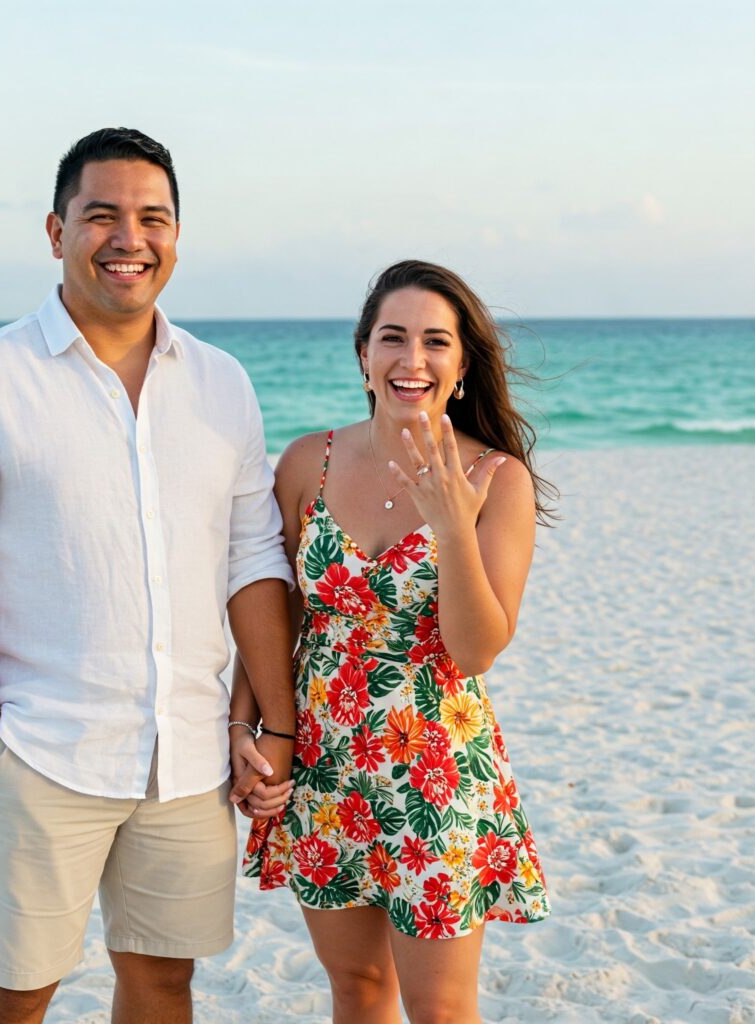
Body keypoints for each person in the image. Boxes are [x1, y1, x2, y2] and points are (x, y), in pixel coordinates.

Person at [0, 127, 295, 1024]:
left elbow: (253, 559)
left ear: (177, 238)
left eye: (152, 217)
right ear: (55, 230)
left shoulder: (222, 384)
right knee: (17, 989)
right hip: (42, 750)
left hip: (187, 757)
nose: (129, 238)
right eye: (101, 215)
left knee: (162, 984)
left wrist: (275, 721)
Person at [234, 260, 553, 1024]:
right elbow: (274, 606)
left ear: (462, 366)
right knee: (357, 989)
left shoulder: (495, 478)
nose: (413, 360)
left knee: (440, 1009)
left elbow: (475, 651)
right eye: (393, 338)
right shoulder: (309, 461)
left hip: (436, 770)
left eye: (435, 342)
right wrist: (245, 724)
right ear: (363, 355)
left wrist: (450, 522)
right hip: (325, 762)